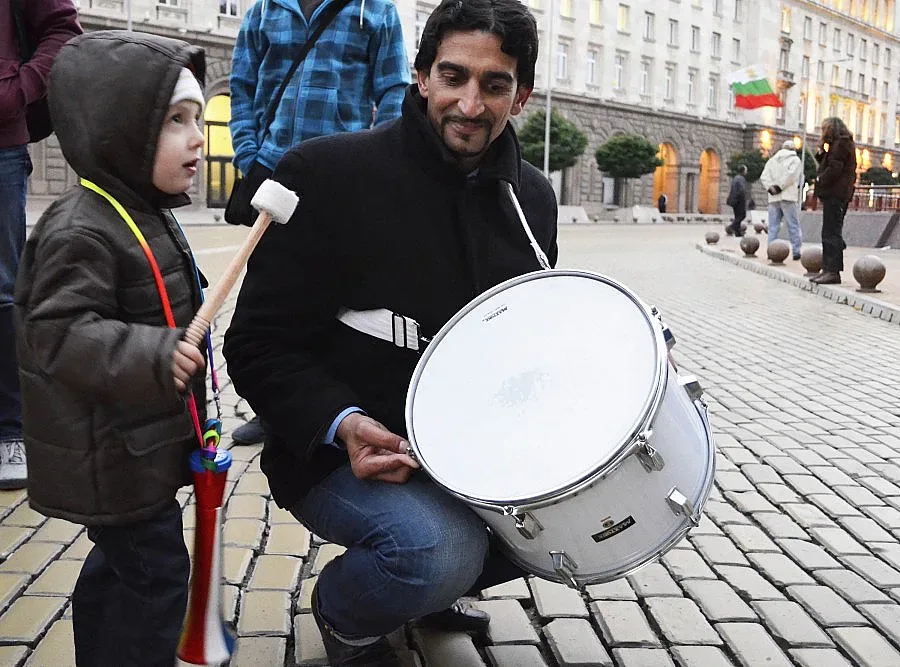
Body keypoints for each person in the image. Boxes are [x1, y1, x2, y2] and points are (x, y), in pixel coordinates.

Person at [223, 1, 557, 664]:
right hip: (340, 450)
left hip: (467, 452)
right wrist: (341, 421)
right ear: (421, 75)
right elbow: (255, 344)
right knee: (440, 549)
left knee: (580, 525)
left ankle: (429, 592)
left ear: (520, 95)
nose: (469, 103)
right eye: (453, 77)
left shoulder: (533, 197)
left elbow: (526, 337)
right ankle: (346, 613)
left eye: (494, 85)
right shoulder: (324, 174)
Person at [15, 31, 208, 665]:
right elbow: (58, 333)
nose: (198, 137)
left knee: (118, 569)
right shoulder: (80, 227)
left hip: (139, 442)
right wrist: (156, 355)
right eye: (176, 120)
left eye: (198, 118)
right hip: (111, 454)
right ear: (119, 131)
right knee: (156, 576)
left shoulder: (146, 211)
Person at [228, 0, 411, 446]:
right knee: (269, 293)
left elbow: (393, 90)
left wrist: (369, 157)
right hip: (276, 174)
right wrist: (249, 155)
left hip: (341, 178)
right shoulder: (264, 10)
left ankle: (323, 406)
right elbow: (242, 86)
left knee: (332, 295)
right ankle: (269, 404)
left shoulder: (376, 11)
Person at [0, 0, 81, 490]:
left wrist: (17, 91)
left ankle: (11, 431)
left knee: (2, 291)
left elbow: (61, 28)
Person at [811, 117, 857, 285]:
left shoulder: (842, 144)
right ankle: (827, 268)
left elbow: (834, 169)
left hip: (836, 194)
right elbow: (830, 163)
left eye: (824, 129)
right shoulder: (838, 144)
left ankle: (833, 271)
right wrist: (822, 151)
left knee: (831, 233)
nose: (823, 132)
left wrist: (819, 179)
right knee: (829, 232)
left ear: (832, 129)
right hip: (835, 193)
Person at [761, 139, 804, 260]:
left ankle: (771, 250)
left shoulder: (772, 160)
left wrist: (771, 187)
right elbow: (791, 176)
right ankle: (796, 250)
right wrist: (780, 187)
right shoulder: (795, 160)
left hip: (773, 198)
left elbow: (764, 176)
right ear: (793, 149)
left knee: (773, 226)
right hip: (788, 197)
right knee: (793, 225)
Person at [726, 164, 748, 236]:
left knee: (737, 216)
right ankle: (732, 226)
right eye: (746, 170)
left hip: (734, 200)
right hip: (739, 200)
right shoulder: (741, 178)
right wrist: (743, 199)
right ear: (743, 171)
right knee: (742, 215)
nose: (746, 172)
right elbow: (741, 190)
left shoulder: (736, 178)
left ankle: (737, 233)